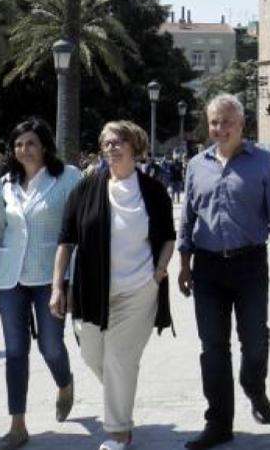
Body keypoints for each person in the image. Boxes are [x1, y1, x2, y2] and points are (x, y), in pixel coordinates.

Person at [178, 93, 270, 449]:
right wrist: (184, 263)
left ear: (242, 124)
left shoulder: (264, 164)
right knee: (213, 347)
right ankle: (218, 422)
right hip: (208, 266)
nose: (220, 128)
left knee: (255, 340)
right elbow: (187, 217)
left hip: (249, 264)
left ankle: (254, 386)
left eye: (227, 121)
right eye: (214, 122)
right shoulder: (196, 165)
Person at [51, 121, 176, 450]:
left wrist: (159, 272)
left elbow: (167, 237)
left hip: (139, 289)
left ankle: (119, 432)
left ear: (135, 147)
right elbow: (66, 241)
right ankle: (121, 398)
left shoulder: (152, 190)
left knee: (119, 359)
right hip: (92, 292)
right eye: (106, 143)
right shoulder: (86, 188)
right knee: (94, 356)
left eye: (119, 142)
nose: (112, 148)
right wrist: (56, 287)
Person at [0, 118, 83, 449]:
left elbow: (78, 233)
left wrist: (71, 282)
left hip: (51, 276)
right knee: (15, 350)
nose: (23, 149)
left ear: (44, 146)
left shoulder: (68, 178)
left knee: (50, 346)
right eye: (18, 144)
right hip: (8, 278)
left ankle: (64, 382)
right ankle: (17, 425)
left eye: (30, 143)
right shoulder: (4, 184)